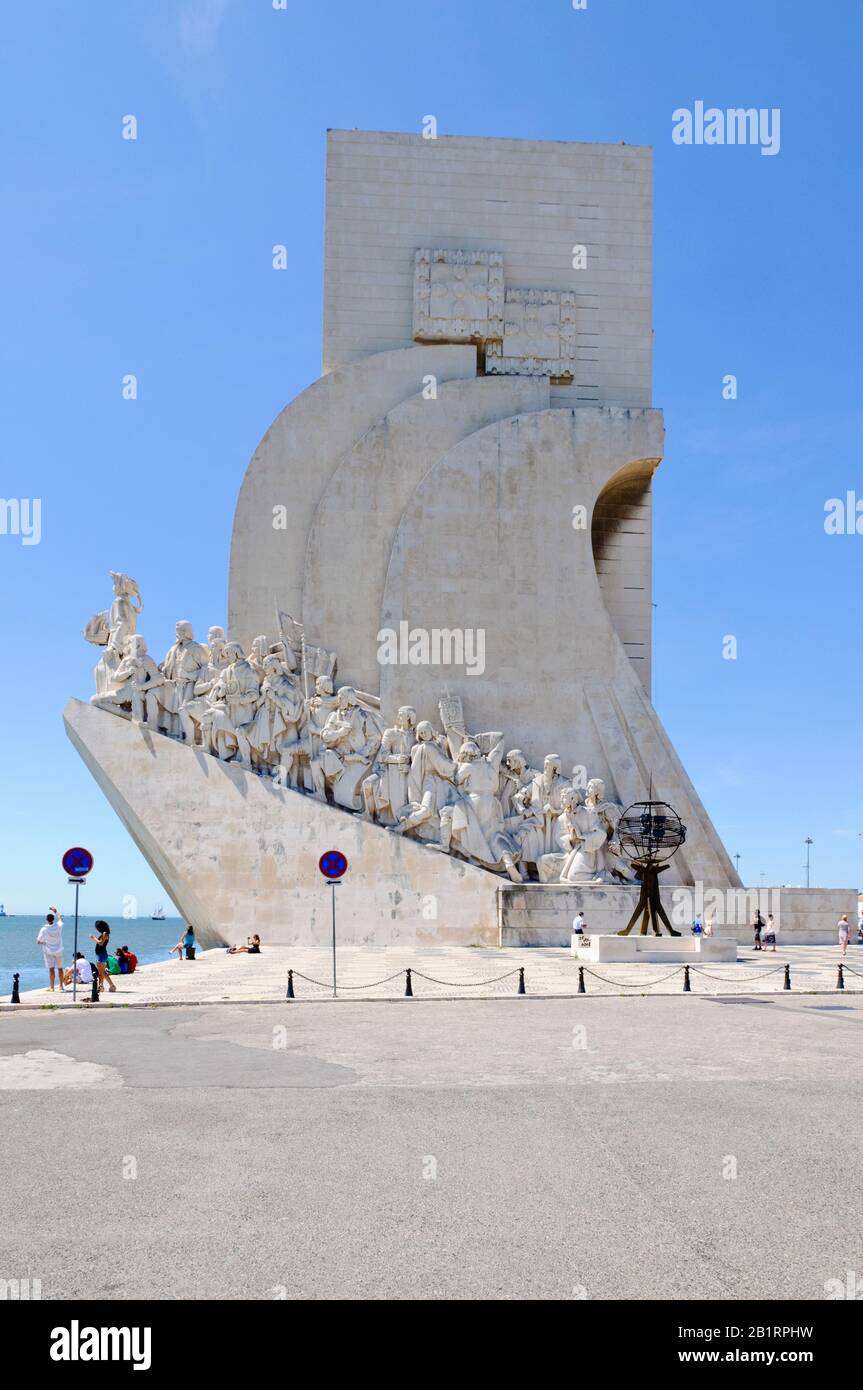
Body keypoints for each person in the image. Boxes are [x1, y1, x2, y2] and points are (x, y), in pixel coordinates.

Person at [36, 910, 64, 992]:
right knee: (60, 969)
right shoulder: (58, 926)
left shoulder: (44, 929)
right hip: (59, 950)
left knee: (51, 969)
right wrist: (56, 911)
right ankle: (61, 986)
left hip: (48, 951)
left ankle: (52, 987)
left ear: (46, 920)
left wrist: (44, 942)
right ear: (53, 919)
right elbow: (60, 919)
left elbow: (38, 941)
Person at [89, 920, 116, 993]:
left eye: (97, 927)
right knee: (102, 972)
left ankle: (103, 986)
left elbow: (101, 943)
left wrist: (93, 938)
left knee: (101, 972)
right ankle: (106, 986)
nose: (97, 929)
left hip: (101, 954)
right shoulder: (105, 933)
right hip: (101, 954)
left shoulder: (105, 933)